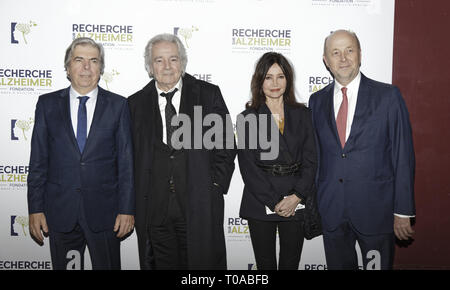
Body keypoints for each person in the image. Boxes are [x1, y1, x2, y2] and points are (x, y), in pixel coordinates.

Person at [308, 30, 415, 270]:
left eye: (349, 50)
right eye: (335, 52)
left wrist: (403, 210)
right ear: (326, 60)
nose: (343, 58)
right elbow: (316, 157)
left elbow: (403, 156)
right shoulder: (316, 101)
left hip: (376, 211)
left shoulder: (388, 96)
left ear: (360, 55)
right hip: (332, 211)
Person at [128, 33, 236, 270]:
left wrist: (215, 186)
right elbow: (129, 159)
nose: (167, 66)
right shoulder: (134, 104)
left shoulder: (207, 95)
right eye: (159, 60)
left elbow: (227, 143)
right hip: (155, 209)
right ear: (149, 66)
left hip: (199, 205)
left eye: (173, 59)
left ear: (182, 62)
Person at [27, 37, 135, 270]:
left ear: (101, 68)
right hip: (61, 213)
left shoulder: (118, 106)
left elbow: (126, 164)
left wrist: (126, 209)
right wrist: (35, 208)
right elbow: (38, 161)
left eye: (93, 61)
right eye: (79, 60)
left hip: (105, 215)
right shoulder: (47, 105)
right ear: (68, 67)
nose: (86, 67)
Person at [237, 52, 318, 270]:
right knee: (265, 266)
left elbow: (312, 160)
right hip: (260, 202)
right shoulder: (248, 118)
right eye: (268, 77)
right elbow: (248, 168)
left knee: (291, 264)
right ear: (259, 81)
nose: (275, 83)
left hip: (296, 201)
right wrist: (274, 202)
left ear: (288, 80)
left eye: (280, 76)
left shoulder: (304, 115)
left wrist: (297, 197)